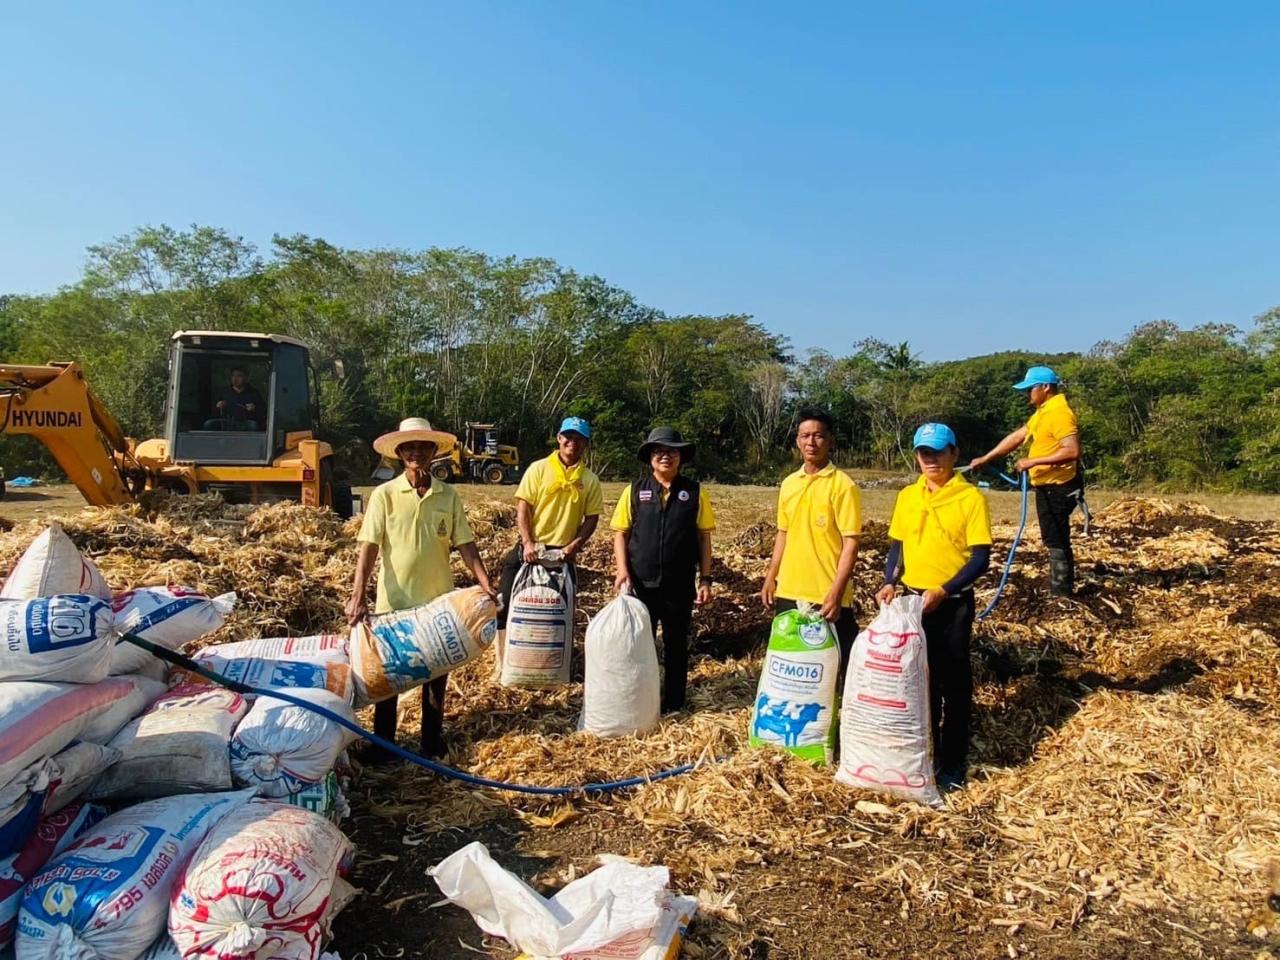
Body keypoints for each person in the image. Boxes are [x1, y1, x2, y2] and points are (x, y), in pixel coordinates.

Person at [346, 417, 496, 761]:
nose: (416, 453)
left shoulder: (448, 495)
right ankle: (384, 744)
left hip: (437, 602)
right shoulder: (384, 495)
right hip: (393, 602)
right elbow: (368, 548)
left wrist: (484, 581)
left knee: (437, 674)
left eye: (422, 447)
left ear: (433, 452)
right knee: (389, 677)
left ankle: (431, 741)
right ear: (399, 453)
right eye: (409, 447)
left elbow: (465, 544)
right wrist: (358, 595)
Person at [877, 423, 992, 790]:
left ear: (954, 454)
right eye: (924, 453)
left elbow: (980, 558)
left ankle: (953, 761)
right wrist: (890, 581)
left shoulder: (969, 497)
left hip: (952, 603)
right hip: (913, 602)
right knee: (918, 681)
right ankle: (923, 752)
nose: (931, 459)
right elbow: (898, 547)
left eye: (939, 452)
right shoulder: (908, 496)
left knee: (954, 682)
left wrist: (946, 588)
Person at [611, 427, 715, 712]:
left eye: (672, 451)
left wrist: (705, 578)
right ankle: (639, 702)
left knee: (676, 646)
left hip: (678, 585)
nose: (665, 456)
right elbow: (620, 533)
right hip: (641, 584)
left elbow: (704, 537)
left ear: (680, 457)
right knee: (638, 645)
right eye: (659, 451)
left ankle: (673, 703)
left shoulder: (694, 492)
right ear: (650, 458)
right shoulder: (635, 490)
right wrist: (622, 570)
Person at [760, 408, 862, 685]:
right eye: (805, 436)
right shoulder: (789, 484)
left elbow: (851, 542)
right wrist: (771, 577)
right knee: (793, 666)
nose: (811, 442)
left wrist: (837, 591)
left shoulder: (843, 486)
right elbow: (783, 533)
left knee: (835, 668)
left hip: (826, 593)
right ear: (797, 441)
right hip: (790, 589)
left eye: (818, 436)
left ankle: (837, 721)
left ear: (830, 441)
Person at [493, 417, 603, 671]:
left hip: (562, 555)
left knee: (560, 610)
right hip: (531, 550)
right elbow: (523, 507)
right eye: (568, 437)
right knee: (503, 604)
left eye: (578, 439)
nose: (571, 443)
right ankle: (504, 664)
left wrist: (574, 545)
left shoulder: (589, 480)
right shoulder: (539, 468)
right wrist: (528, 542)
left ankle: (551, 666)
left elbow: (592, 517)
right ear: (559, 438)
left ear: (585, 444)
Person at [970, 365, 1082, 596]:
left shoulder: (1060, 413)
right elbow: (1018, 436)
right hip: (1047, 485)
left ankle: (1062, 592)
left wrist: (1033, 462)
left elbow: (1072, 451)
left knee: (1056, 538)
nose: (1027, 394)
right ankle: (1061, 587)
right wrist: (987, 458)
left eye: (1030, 389)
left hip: (1058, 487)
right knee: (1053, 536)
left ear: (1045, 387)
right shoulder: (1043, 412)